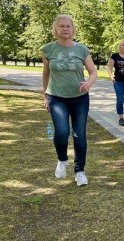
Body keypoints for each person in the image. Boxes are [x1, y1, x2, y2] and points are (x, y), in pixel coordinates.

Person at [42, 14, 98, 187]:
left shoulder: (82, 49)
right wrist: (44, 95)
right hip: (56, 97)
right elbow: (46, 73)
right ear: (55, 29)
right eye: (61, 26)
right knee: (61, 132)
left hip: (80, 98)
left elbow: (93, 72)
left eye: (68, 26)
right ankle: (62, 160)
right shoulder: (48, 49)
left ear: (73, 29)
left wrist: (88, 83)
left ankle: (80, 171)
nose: (65, 29)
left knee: (79, 135)